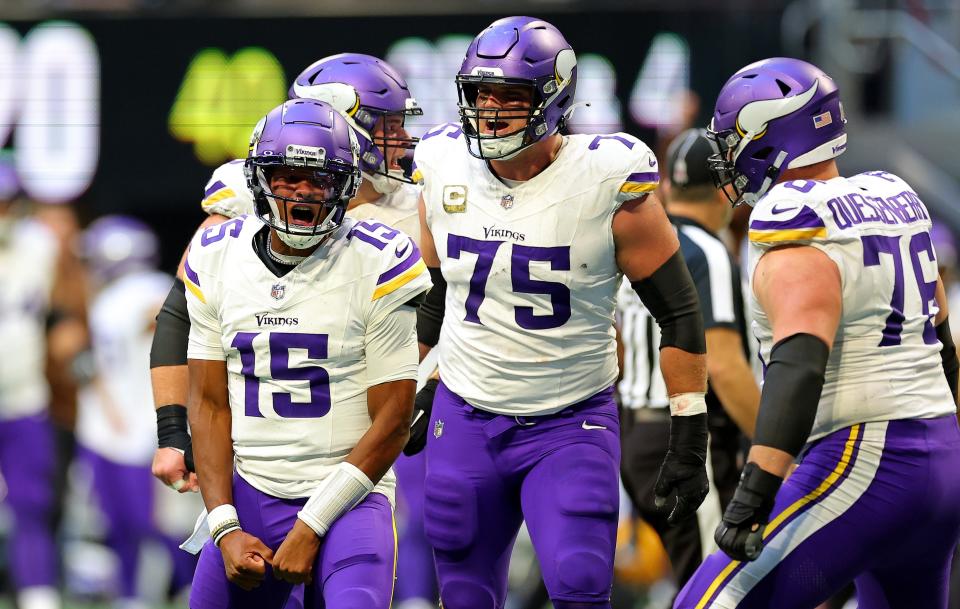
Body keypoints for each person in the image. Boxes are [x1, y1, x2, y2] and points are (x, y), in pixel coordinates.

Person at [413, 16, 709, 608]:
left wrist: (689, 429)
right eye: (482, 93)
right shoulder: (442, 162)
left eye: (511, 95)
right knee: (465, 593)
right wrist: (422, 380)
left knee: (578, 584)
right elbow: (437, 291)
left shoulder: (606, 178)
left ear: (554, 97)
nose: (491, 110)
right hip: (466, 414)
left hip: (569, 421)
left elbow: (677, 311)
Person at [675, 57, 960, 608]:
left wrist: (755, 491)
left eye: (735, 137)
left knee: (708, 602)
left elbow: (800, 361)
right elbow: (942, 343)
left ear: (771, 137)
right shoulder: (893, 195)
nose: (727, 155)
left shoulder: (791, 213)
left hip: (868, 458)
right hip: (941, 454)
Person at [184, 98, 430, 609]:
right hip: (251, 491)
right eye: (286, 175)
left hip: (349, 500)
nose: (301, 191)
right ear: (259, 180)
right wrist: (225, 525)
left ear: (344, 184)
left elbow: (394, 418)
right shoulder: (216, 256)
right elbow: (208, 405)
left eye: (318, 178)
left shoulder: (379, 257)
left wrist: (313, 523)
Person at [150, 53, 424, 495]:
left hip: (370, 428)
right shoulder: (249, 192)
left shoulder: (414, 206)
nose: (404, 139)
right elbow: (181, 313)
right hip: (264, 443)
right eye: (387, 127)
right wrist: (172, 431)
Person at [617, 128, 759, 596]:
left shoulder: (641, 240)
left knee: (695, 582)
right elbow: (724, 366)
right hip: (684, 439)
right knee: (720, 588)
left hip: (634, 436)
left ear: (669, 186)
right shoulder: (707, 251)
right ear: (725, 187)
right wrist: (778, 442)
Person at [75, 216, 198, 609]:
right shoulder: (134, 293)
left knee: (145, 527)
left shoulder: (132, 295)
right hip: (134, 427)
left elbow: (159, 322)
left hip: (133, 430)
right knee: (139, 527)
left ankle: (160, 592)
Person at [0, 157, 88, 609]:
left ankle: (37, 590)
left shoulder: (38, 245)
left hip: (22, 397)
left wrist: (66, 326)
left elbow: (67, 304)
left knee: (32, 502)